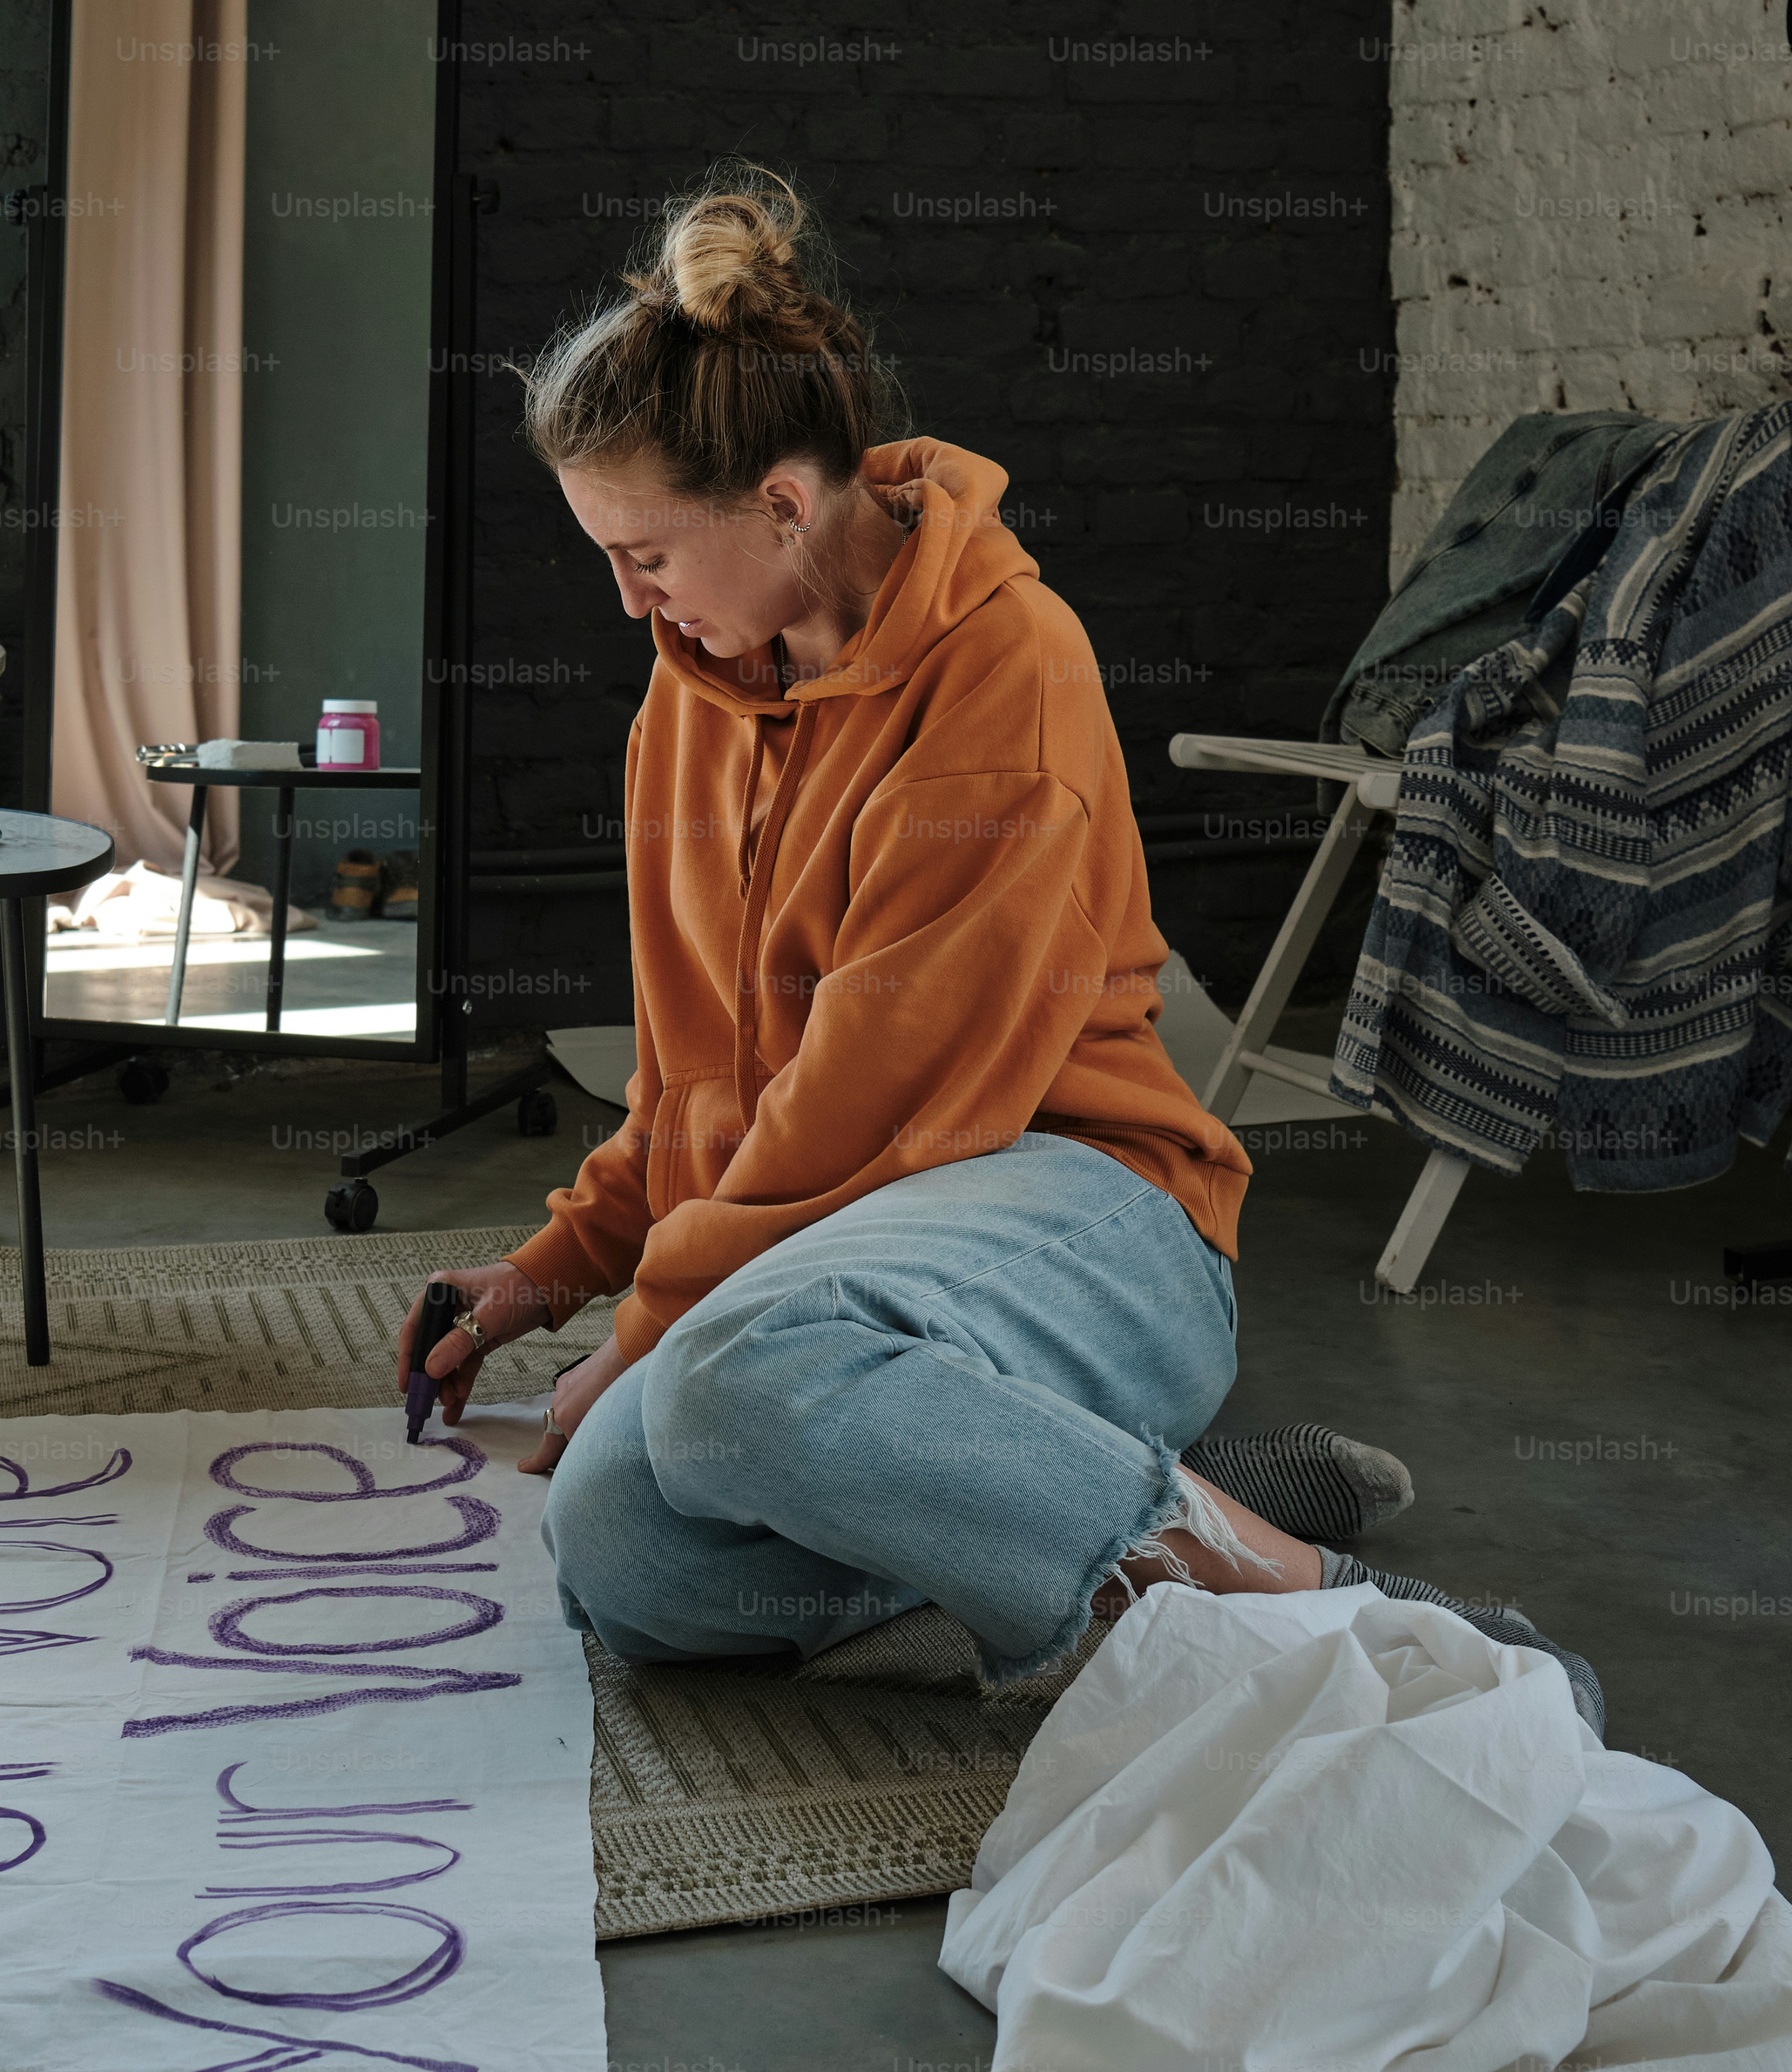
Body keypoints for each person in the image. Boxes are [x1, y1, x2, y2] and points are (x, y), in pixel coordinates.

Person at [393, 167, 1602, 1725]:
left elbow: (879, 1121)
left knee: (722, 1388)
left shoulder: (1004, 676)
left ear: (782, 501)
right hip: (853, 1268)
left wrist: (642, 1337)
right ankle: (1082, 1472)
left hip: (1089, 1217)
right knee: (621, 1555)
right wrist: (552, 1274)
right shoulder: (689, 696)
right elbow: (704, 1082)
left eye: (649, 556)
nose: (629, 598)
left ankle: (1321, 1605)